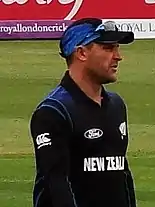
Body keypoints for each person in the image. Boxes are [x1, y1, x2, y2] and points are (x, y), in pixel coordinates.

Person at [30, 17, 136, 207]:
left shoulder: (116, 106)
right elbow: (56, 185)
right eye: (108, 48)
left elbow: (122, 175)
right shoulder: (54, 111)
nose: (118, 56)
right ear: (81, 53)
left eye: (117, 48)